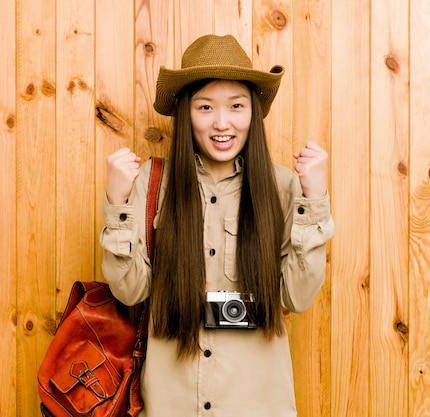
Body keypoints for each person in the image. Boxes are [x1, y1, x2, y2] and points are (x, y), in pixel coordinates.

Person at [100, 34, 334, 417]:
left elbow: (297, 297)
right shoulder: (151, 183)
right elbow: (131, 291)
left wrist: (315, 200)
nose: (221, 123)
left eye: (236, 106)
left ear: (253, 113)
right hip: (169, 405)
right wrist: (117, 204)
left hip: (258, 404)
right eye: (205, 107)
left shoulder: (284, 187)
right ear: (185, 112)